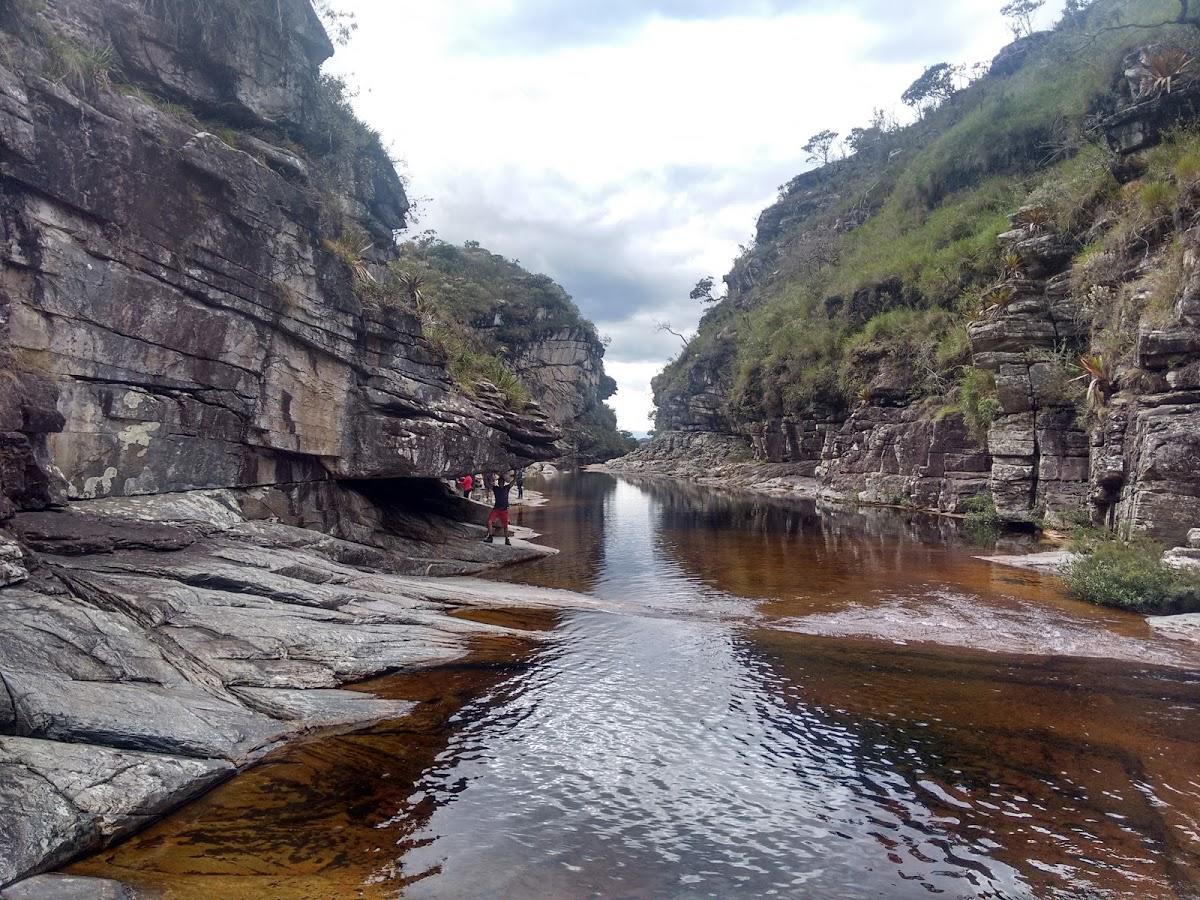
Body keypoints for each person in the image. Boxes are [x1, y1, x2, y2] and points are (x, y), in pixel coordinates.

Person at [483, 472, 513, 546]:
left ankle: (507, 539)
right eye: (499, 482)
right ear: (498, 483)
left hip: (504, 510)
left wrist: (516, 473)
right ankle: (490, 537)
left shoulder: (507, 488)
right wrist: (484, 475)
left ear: (504, 482)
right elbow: (487, 484)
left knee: (505, 526)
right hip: (496, 509)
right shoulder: (495, 488)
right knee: (489, 522)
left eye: (502, 482)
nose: (500, 483)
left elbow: (513, 482)